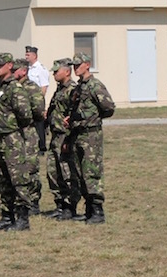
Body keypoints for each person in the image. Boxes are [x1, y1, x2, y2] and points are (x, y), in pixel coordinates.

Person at [0, 53, 34, 231]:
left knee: (18, 179)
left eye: (0, 65)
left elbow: (25, 115)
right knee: (3, 179)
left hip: (11, 139)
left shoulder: (15, 88)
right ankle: (7, 215)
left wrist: (8, 124)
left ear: (10, 65)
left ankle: (22, 218)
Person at [65, 52, 114, 224]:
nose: (75, 68)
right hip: (77, 134)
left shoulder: (95, 85)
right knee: (80, 172)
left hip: (91, 135)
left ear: (87, 64)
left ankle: (97, 210)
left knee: (91, 171)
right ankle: (88, 209)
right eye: (74, 65)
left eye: (78, 65)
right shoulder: (79, 87)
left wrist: (91, 118)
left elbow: (108, 107)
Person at [44, 58, 80, 220]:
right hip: (55, 135)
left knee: (67, 172)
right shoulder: (59, 89)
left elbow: (74, 113)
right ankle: (59, 204)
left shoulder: (73, 89)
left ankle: (70, 206)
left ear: (66, 71)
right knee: (53, 171)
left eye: (56, 71)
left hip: (66, 136)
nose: (54, 74)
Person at [13, 57, 45, 215]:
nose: (13, 72)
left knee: (30, 167)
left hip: (28, 132)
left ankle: (33, 201)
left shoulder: (31, 88)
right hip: (14, 133)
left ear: (24, 71)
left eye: (15, 70)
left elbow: (39, 110)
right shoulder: (12, 87)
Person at [25, 46, 49, 154]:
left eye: (28, 55)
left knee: (39, 124)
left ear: (34, 56)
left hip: (37, 101)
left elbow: (44, 87)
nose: (26, 56)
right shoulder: (28, 68)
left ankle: (41, 147)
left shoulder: (41, 69)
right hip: (28, 101)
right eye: (26, 54)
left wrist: (38, 101)